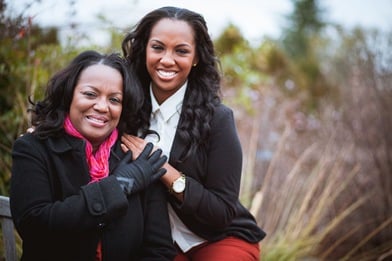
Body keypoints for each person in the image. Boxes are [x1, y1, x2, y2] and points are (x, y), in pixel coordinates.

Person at [121, 6, 266, 261]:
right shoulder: (124, 107)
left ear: (196, 57)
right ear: (144, 49)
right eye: (158, 47)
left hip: (218, 237)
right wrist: (44, 134)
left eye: (181, 51)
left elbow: (221, 211)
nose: (167, 59)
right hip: (153, 242)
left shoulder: (218, 119)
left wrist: (161, 168)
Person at [9, 50, 176, 261]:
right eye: (90, 94)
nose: (101, 106)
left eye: (114, 99)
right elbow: (35, 226)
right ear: (69, 95)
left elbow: (159, 250)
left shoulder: (137, 157)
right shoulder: (34, 148)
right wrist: (120, 184)